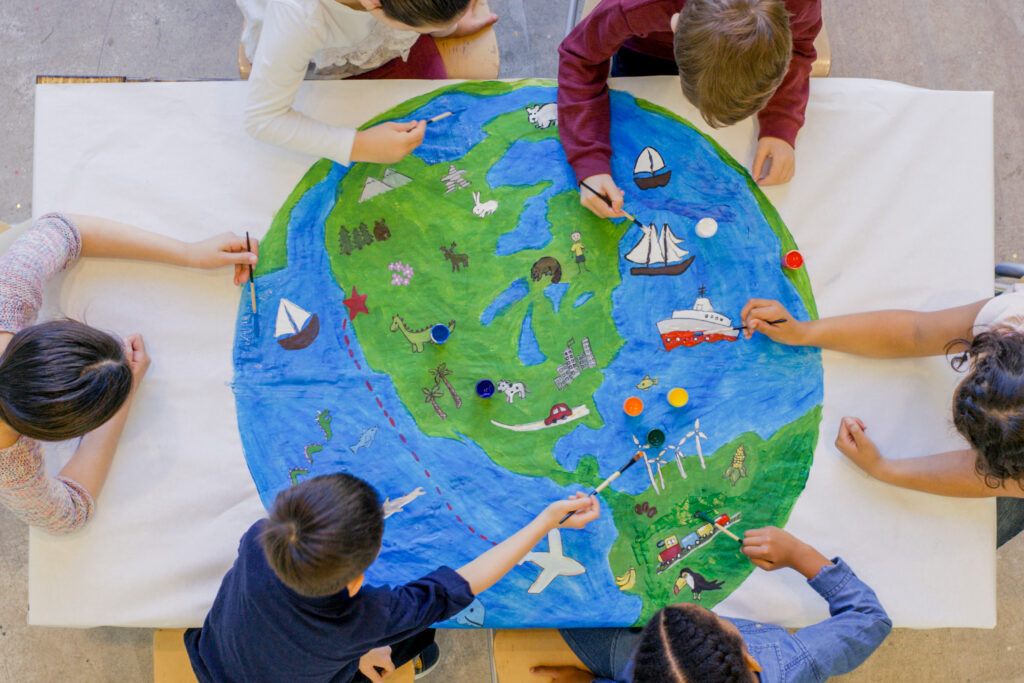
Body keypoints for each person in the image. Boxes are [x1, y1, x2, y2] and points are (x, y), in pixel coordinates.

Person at [184, 472, 599, 682]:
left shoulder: (259, 537)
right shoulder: (369, 618)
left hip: (217, 662)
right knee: (418, 634)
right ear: (355, 584)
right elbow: (458, 587)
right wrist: (546, 522)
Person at [0, 213, 258, 535]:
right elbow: (68, 513)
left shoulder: (8, 297)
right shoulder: (12, 471)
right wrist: (122, 399)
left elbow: (64, 231)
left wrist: (190, 253)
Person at [740, 294, 1024, 546]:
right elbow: (916, 333)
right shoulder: (1013, 314)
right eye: (979, 370)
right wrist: (804, 332)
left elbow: (983, 478)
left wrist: (884, 469)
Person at [558, 0, 821, 220]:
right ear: (674, 23)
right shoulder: (640, 6)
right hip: (644, 50)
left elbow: (800, 46)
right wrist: (589, 160)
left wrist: (781, 122)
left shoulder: (799, 4)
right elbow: (580, 57)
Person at [531, 526, 891, 683]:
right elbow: (871, 619)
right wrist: (799, 554)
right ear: (751, 659)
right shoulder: (795, 660)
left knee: (555, 602)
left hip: (610, 652)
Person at [237, 0, 498, 165]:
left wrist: (446, 24)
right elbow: (262, 120)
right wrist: (357, 146)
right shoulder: (300, 16)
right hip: (308, 46)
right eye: (415, 29)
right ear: (374, 5)